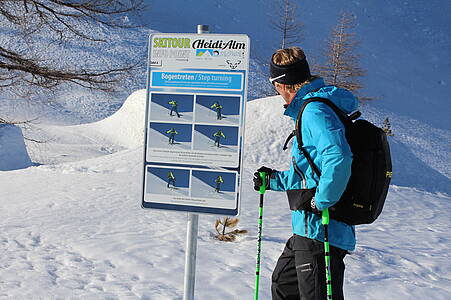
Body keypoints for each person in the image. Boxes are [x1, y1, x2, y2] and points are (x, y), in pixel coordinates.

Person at [253, 47, 358, 300]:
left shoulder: (314, 111)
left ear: (283, 84)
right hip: (307, 228)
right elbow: (309, 171)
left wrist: (321, 200)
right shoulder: (314, 109)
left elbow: (339, 157)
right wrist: (274, 180)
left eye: (275, 85)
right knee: (284, 285)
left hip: (320, 228)